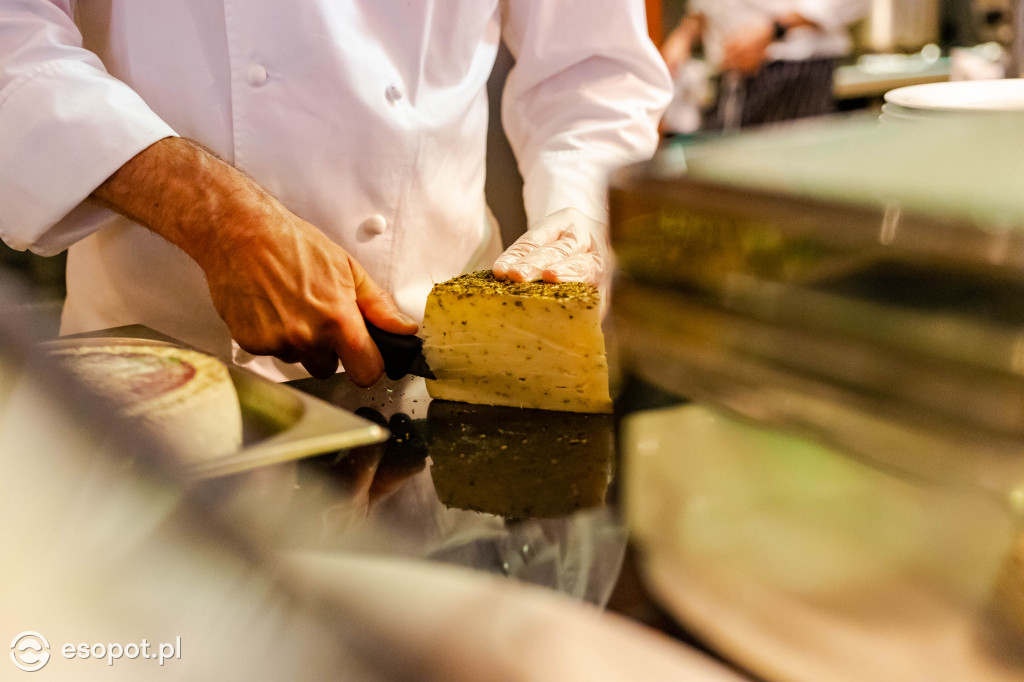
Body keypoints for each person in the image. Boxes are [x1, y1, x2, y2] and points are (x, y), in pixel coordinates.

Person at [0, 1, 671, 385]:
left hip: (440, 365)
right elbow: (14, 44)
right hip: (161, 368)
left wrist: (576, 216)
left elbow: (592, 74)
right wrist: (215, 216)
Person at [660, 0, 869, 131]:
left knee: (782, 183)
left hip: (793, 69)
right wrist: (684, 34)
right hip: (729, 73)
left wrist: (774, 29)